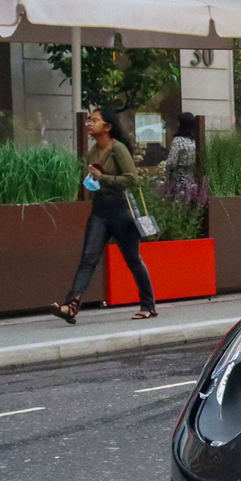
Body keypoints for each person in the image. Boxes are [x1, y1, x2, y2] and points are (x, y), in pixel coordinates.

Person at [53, 106, 156, 324]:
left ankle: (148, 305)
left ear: (107, 127)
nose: (89, 123)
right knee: (88, 260)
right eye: (88, 120)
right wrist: (91, 181)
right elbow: (95, 182)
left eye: (94, 120)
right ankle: (72, 305)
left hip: (121, 211)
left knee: (133, 260)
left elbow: (132, 179)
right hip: (99, 211)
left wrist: (103, 178)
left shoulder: (118, 149)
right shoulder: (91, 152)